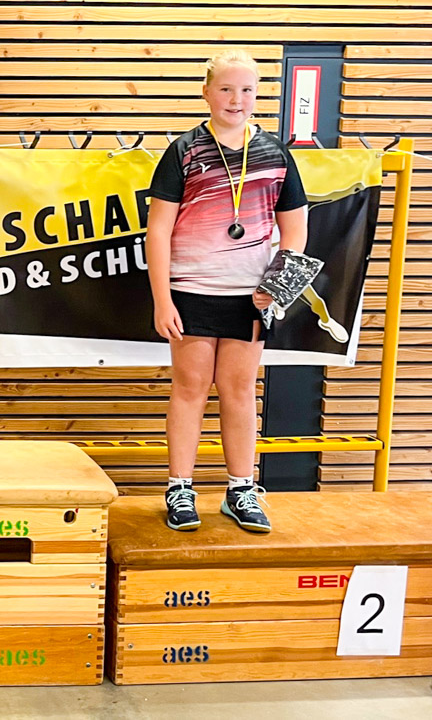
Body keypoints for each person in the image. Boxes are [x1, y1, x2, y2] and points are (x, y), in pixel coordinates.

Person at [146, 50, 308, 533]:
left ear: (258, 94)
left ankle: (241, 489)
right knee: (190, 388)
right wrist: (162, 299)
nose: (236, 99)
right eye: (226, 89)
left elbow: (296, 232)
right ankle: (180, 488)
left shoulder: (276, 154)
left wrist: (275, 287)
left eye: (247, 90)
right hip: (191, 291)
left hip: (249, 297)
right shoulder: (184, 151)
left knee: (239, 390)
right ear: (206, 93)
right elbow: (158, 231)